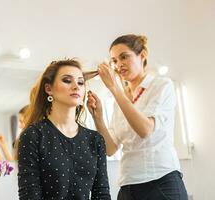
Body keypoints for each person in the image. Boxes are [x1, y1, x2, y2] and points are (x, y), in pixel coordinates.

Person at [87, 34, 188, 200]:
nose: (119, 65)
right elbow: (111, 149)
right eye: (114, 61)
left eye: (124, 57)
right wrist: (98, 118)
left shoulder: (161, 85)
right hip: (128, 184)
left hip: (161, 181)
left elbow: (145, 129)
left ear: (143, 55)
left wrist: (114, 88)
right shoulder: (119, 100)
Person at [17, 59, 111, 199]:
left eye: (80, 82)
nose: (76, 86)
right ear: (49, 89)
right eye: (67, 80)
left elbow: (102, 193)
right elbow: (29, 195)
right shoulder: (33, 135)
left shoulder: (95, 139)